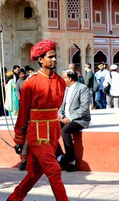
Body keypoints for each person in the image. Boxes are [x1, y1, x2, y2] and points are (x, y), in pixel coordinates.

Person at [8, 39, 69, 201]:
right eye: (50, 57)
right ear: (40, 60)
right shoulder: (31, 83)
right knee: (54, 170)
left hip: (53, 130)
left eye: (55, 56)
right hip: (37, 131)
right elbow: (23, 113)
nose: (54, 59)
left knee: (35, 173)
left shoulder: (61, 82)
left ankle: (14, 198)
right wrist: (19, 139)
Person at [56, 68, 91, 172]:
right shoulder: (66, 89)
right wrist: (60, 115)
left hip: (79, 119)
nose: (62, 80)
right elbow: (62, 106)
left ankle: (72, 160)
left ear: (70, 78)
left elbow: (84, 108)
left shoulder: (82, 88)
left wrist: (70, 118)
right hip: (65, 118)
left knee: (64, 131)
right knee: (50, 129)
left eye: (64, 78)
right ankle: (60, 156)